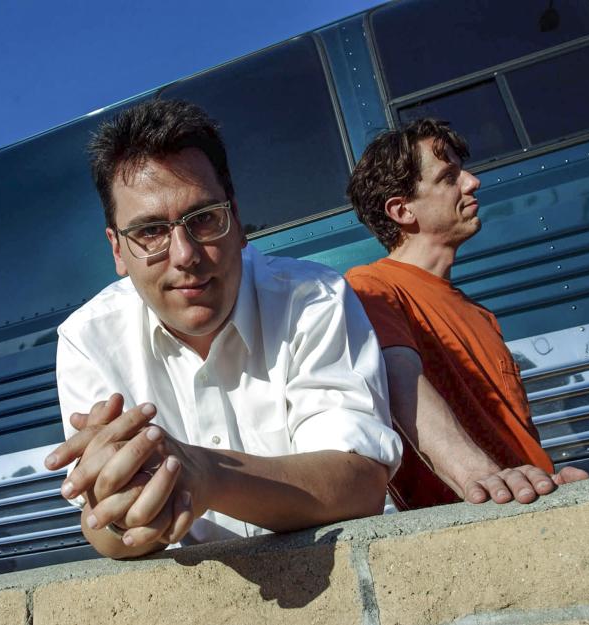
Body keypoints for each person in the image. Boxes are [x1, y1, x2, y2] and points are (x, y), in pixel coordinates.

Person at [44, 99, 402, 559]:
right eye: (150, 231)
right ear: (117, 250)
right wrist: (120, 505)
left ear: (236, 220)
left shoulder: (315, 299)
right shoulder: (87, 340)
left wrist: (206, 476)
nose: (184, 254)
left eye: (204, 219)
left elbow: (358, 483)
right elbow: (104, 531)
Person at [344, 118, 588, 510]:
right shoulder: (372, 287)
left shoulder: (481, 316)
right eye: (449, 177)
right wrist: (483, 479)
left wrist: (547, 481)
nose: (473, 183)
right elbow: (400, 383)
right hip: (479, 515)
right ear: (402, 210)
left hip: (527, 502)